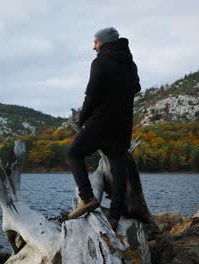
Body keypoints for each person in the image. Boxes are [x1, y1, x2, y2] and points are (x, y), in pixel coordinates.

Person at [65, 27, 141, 231]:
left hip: (101, 122)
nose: (93, 46)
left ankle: (87, 198)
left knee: (74, 153)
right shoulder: (130, 64)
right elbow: (137, 88)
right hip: (122, 124)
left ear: (104, 42)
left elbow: (91, 96)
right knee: (118, 166)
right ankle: (115, 214)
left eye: (96, 42)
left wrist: (82, 120)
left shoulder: (100, 62)